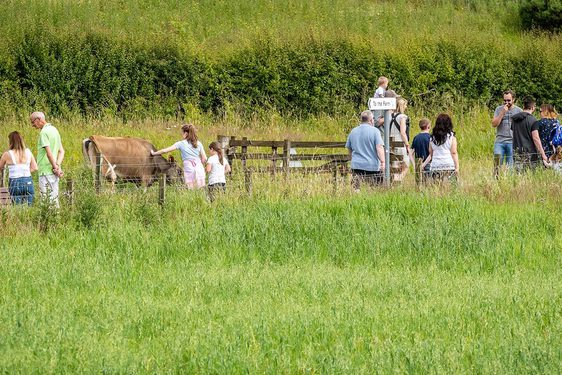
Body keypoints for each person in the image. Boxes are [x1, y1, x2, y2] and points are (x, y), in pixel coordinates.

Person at [151, 124, 207, 189]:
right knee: (201, 188)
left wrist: (154, 153)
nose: (181, 134)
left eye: (182, 132)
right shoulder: (198, 143)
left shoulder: (181, 143)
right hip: (199, 168)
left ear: (186, 133)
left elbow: (165, 150)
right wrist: (199, 163)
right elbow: (205, 158)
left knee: (190, 188)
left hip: (189, 168)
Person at [345, 110, 385, 191]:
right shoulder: (375, 131)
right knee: (375, 189)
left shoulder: (353, 131)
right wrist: (383, 162)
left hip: (357, 165)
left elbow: (349, 148)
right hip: (372, 166)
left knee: (356, 189)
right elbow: (379, 147)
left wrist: (352, 158)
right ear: (371, 120)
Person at [31, 111, 64, 206]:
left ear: (38, 120)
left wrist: (54, 167)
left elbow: (49, 153)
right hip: (54, 171)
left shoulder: (43, 133)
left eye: (33, 122)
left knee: (45, 201)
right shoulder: (55, 130)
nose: (32, 125)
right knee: (54, 199)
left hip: (45, 171)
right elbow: (61, 151)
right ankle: (56, 220)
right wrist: (58, 166)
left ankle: (46, 220)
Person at [0, 132, 38, 205]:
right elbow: (35, 167)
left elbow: (0, 167)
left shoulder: (7, 154)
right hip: (28, 181)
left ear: (11, 141)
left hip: (15, 182)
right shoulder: (28, 151)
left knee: (16, 207)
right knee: (29, 208)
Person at [422, 113, 459, 180]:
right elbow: (454, 152)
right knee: (451, 187)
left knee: (437, 186)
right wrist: (457, 167)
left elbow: (431, 153)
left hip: (436, 166)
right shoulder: (451, 137)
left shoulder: (432, 138)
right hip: (448, 165)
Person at [491, 90, 522, 166]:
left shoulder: (519, 111)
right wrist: (502, 113)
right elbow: (494, 124)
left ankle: (508, 178)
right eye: (504, 100)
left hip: (512, 142)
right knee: (497, 165)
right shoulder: (498, 109)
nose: (506, 102)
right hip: (499, 141)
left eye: (509, 100)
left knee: (510, 167)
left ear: (513, 99)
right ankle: (496, 178)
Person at [511, 96, 538, 171]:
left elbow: (513, 132)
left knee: (518, 174)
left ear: (523, 106)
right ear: (533, 108)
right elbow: (536, 138)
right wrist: (542, 153)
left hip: (516, 150)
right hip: (530, 152)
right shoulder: (533, 120)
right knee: (530, 175)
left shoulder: (514, 119)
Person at [389, 97, 411, 181]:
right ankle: (398, 180)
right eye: (405, 105)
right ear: (401, 106)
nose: (406, 107)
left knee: (395, 164)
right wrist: (407, 145)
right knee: (405, 164)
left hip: (391, 142)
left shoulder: (390, 117)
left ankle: (394, 180)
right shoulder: (403, 117)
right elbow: (402, 132)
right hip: (400, 142)